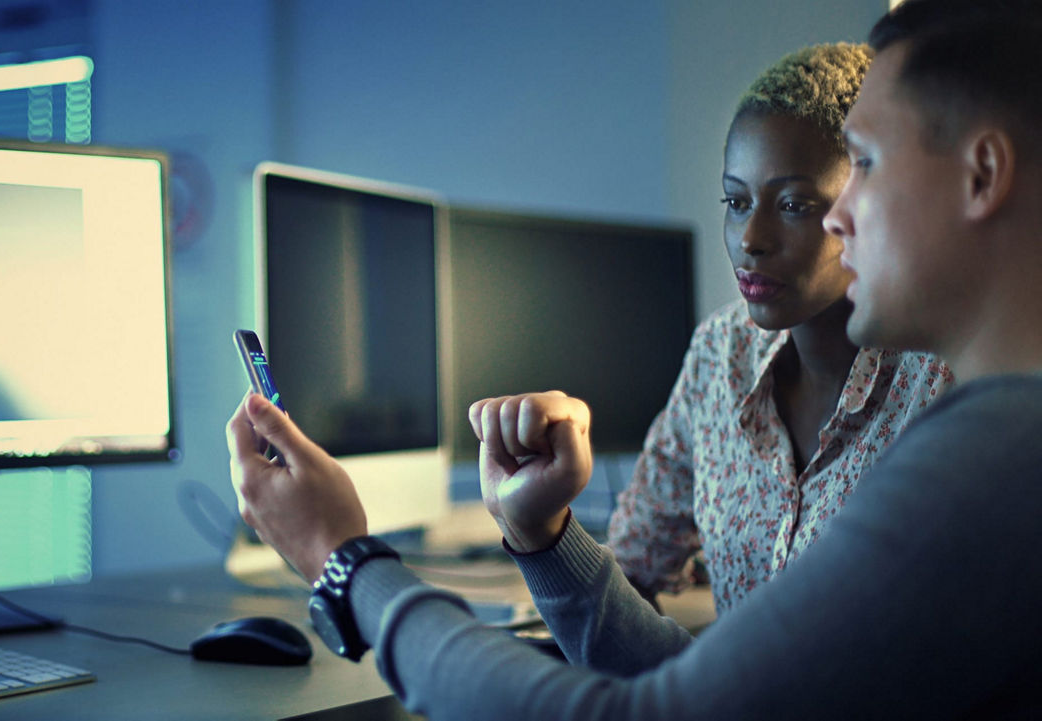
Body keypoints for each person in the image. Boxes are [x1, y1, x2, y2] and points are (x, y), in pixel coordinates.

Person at [226, 1, 1042, 717]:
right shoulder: (995, 432)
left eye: (864, 163)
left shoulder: (998, 454)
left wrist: (349, 562)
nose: (842, 215)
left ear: (983, 175)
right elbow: (715, 695)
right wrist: (542, 536)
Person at [606, 43, 954, 612]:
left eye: (793, 205)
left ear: (868, 201)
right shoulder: (722, 354)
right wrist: (542, 533)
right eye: (736, 201)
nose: (751, 239)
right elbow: (629, 575)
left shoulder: (939, 378)